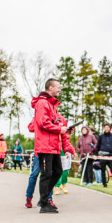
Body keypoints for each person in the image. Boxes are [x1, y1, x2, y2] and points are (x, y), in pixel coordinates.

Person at [31, 78, 76, 213]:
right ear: (50, 88)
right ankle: (44, 204)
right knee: (46, 174)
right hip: (45, 145)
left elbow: (55, 123)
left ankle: (43, 199)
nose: (60, 90)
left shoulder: (52, 105)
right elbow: (42, 123)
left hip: (55, 146)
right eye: (58, 87)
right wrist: (59, 129)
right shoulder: (43, 103)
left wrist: (65, 129)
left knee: (57, 172)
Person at [95, 123, 112, 188]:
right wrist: (96, 155)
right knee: (103, 170)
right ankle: (104, 184)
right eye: (105, 127)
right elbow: (98, 146)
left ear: (109, 128)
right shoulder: (101, 136)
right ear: (104, 128)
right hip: (102, 156)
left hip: (110, 156)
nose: (106, 128)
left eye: (108, 127)